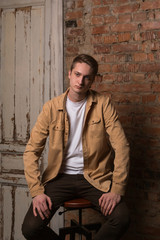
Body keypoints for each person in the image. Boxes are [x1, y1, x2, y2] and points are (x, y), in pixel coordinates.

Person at [22, 54, 130, 240]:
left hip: (95, 177)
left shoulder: (103, 104)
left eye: (87, 77)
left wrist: (116, 189)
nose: (81, 81)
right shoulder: (51, 107)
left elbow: (122, 147)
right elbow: (32, 150)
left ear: (92, 80)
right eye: (78, 74)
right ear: (70, 74)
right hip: (60, 178)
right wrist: (37, 192)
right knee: (30, 228)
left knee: (122, 218)